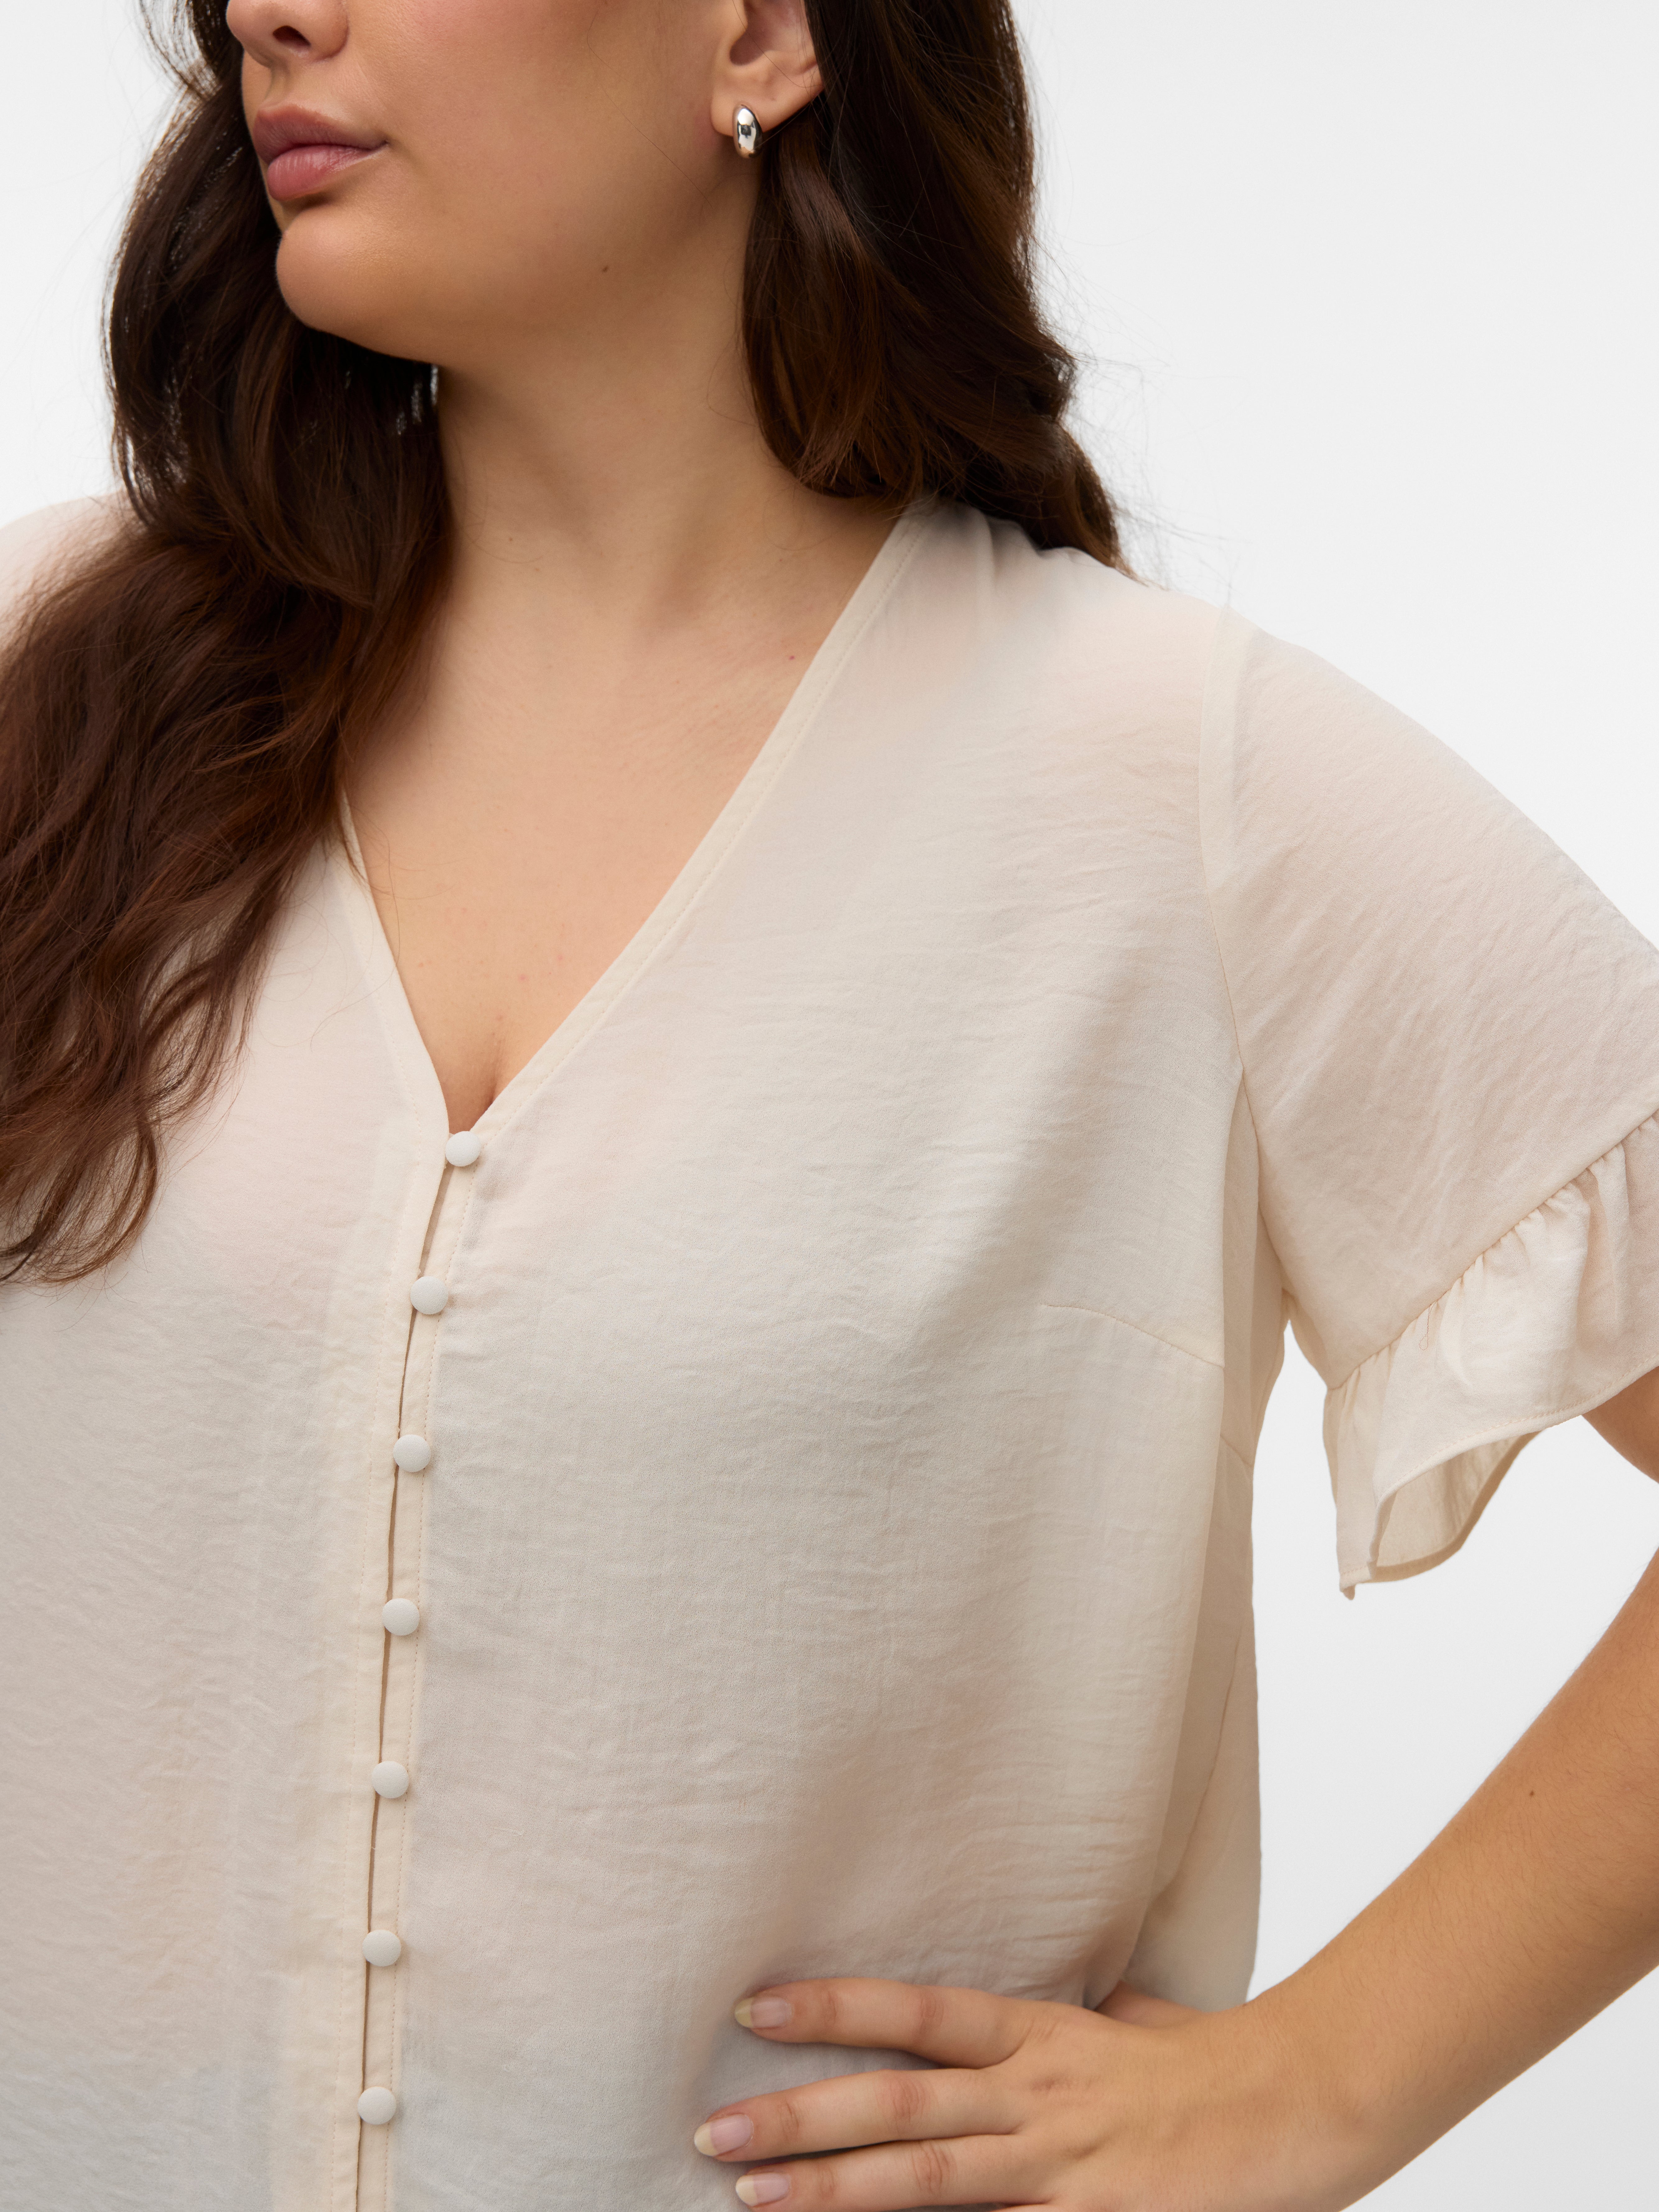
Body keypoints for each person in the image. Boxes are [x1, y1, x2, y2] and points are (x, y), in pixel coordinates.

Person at [2, 0, 1657, 2207]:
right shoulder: (50, 695)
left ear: (762, 32)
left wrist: (1328, 2080)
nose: (267, 15)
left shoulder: (1162, 787)